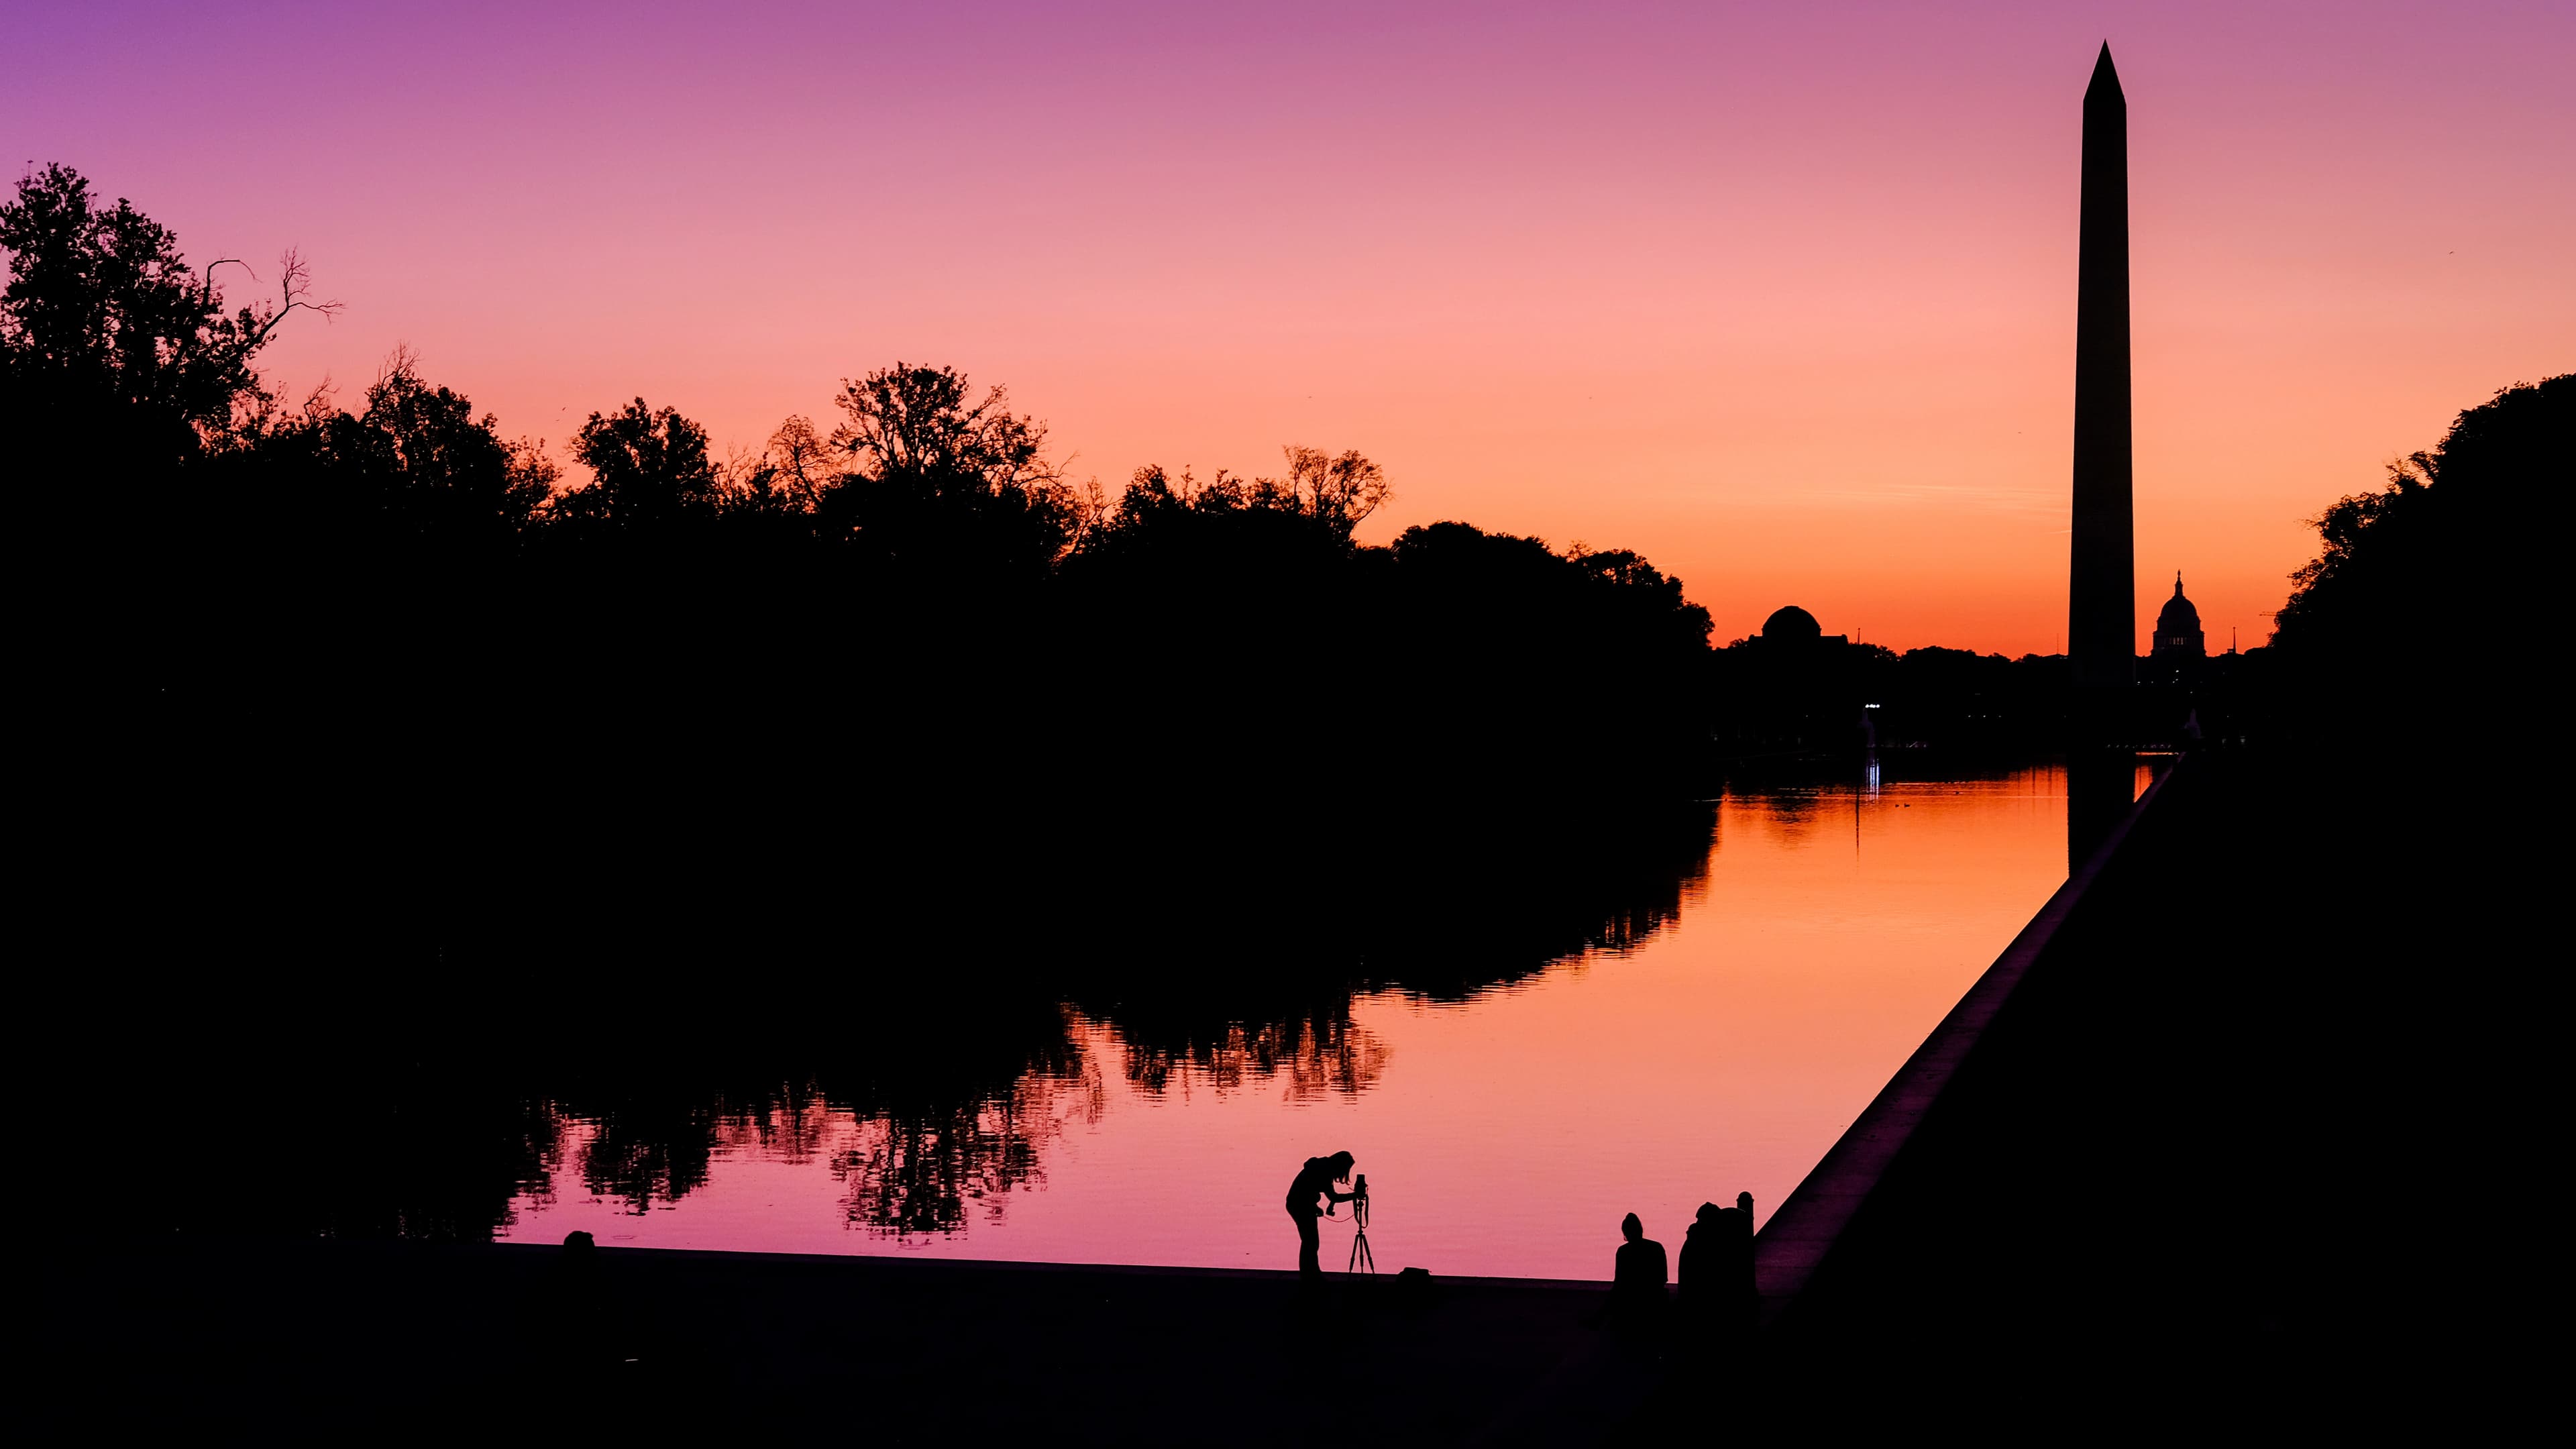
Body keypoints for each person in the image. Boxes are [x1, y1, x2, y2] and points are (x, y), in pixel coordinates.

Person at [1285, 1151, 1358, 1278]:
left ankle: (1311, 1272)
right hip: (1300, 1205)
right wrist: (1354, 1196)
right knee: (1311, 1241)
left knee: (1310, 1241)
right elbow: (1333, 1196)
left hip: (1300, 1203)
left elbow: (1308, 1190)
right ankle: (1310, 1274)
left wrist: (1315, 1206)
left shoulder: (1322, 1166)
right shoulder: (1325, 1171)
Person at [1611, 1212, 1668, 1338]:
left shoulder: (1623, 1252)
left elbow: (1619, 1283)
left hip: (1630, 1306)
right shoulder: (1657, 1248)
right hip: (1654, 1304)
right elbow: (1663, 1278)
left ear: (1625, 1233)